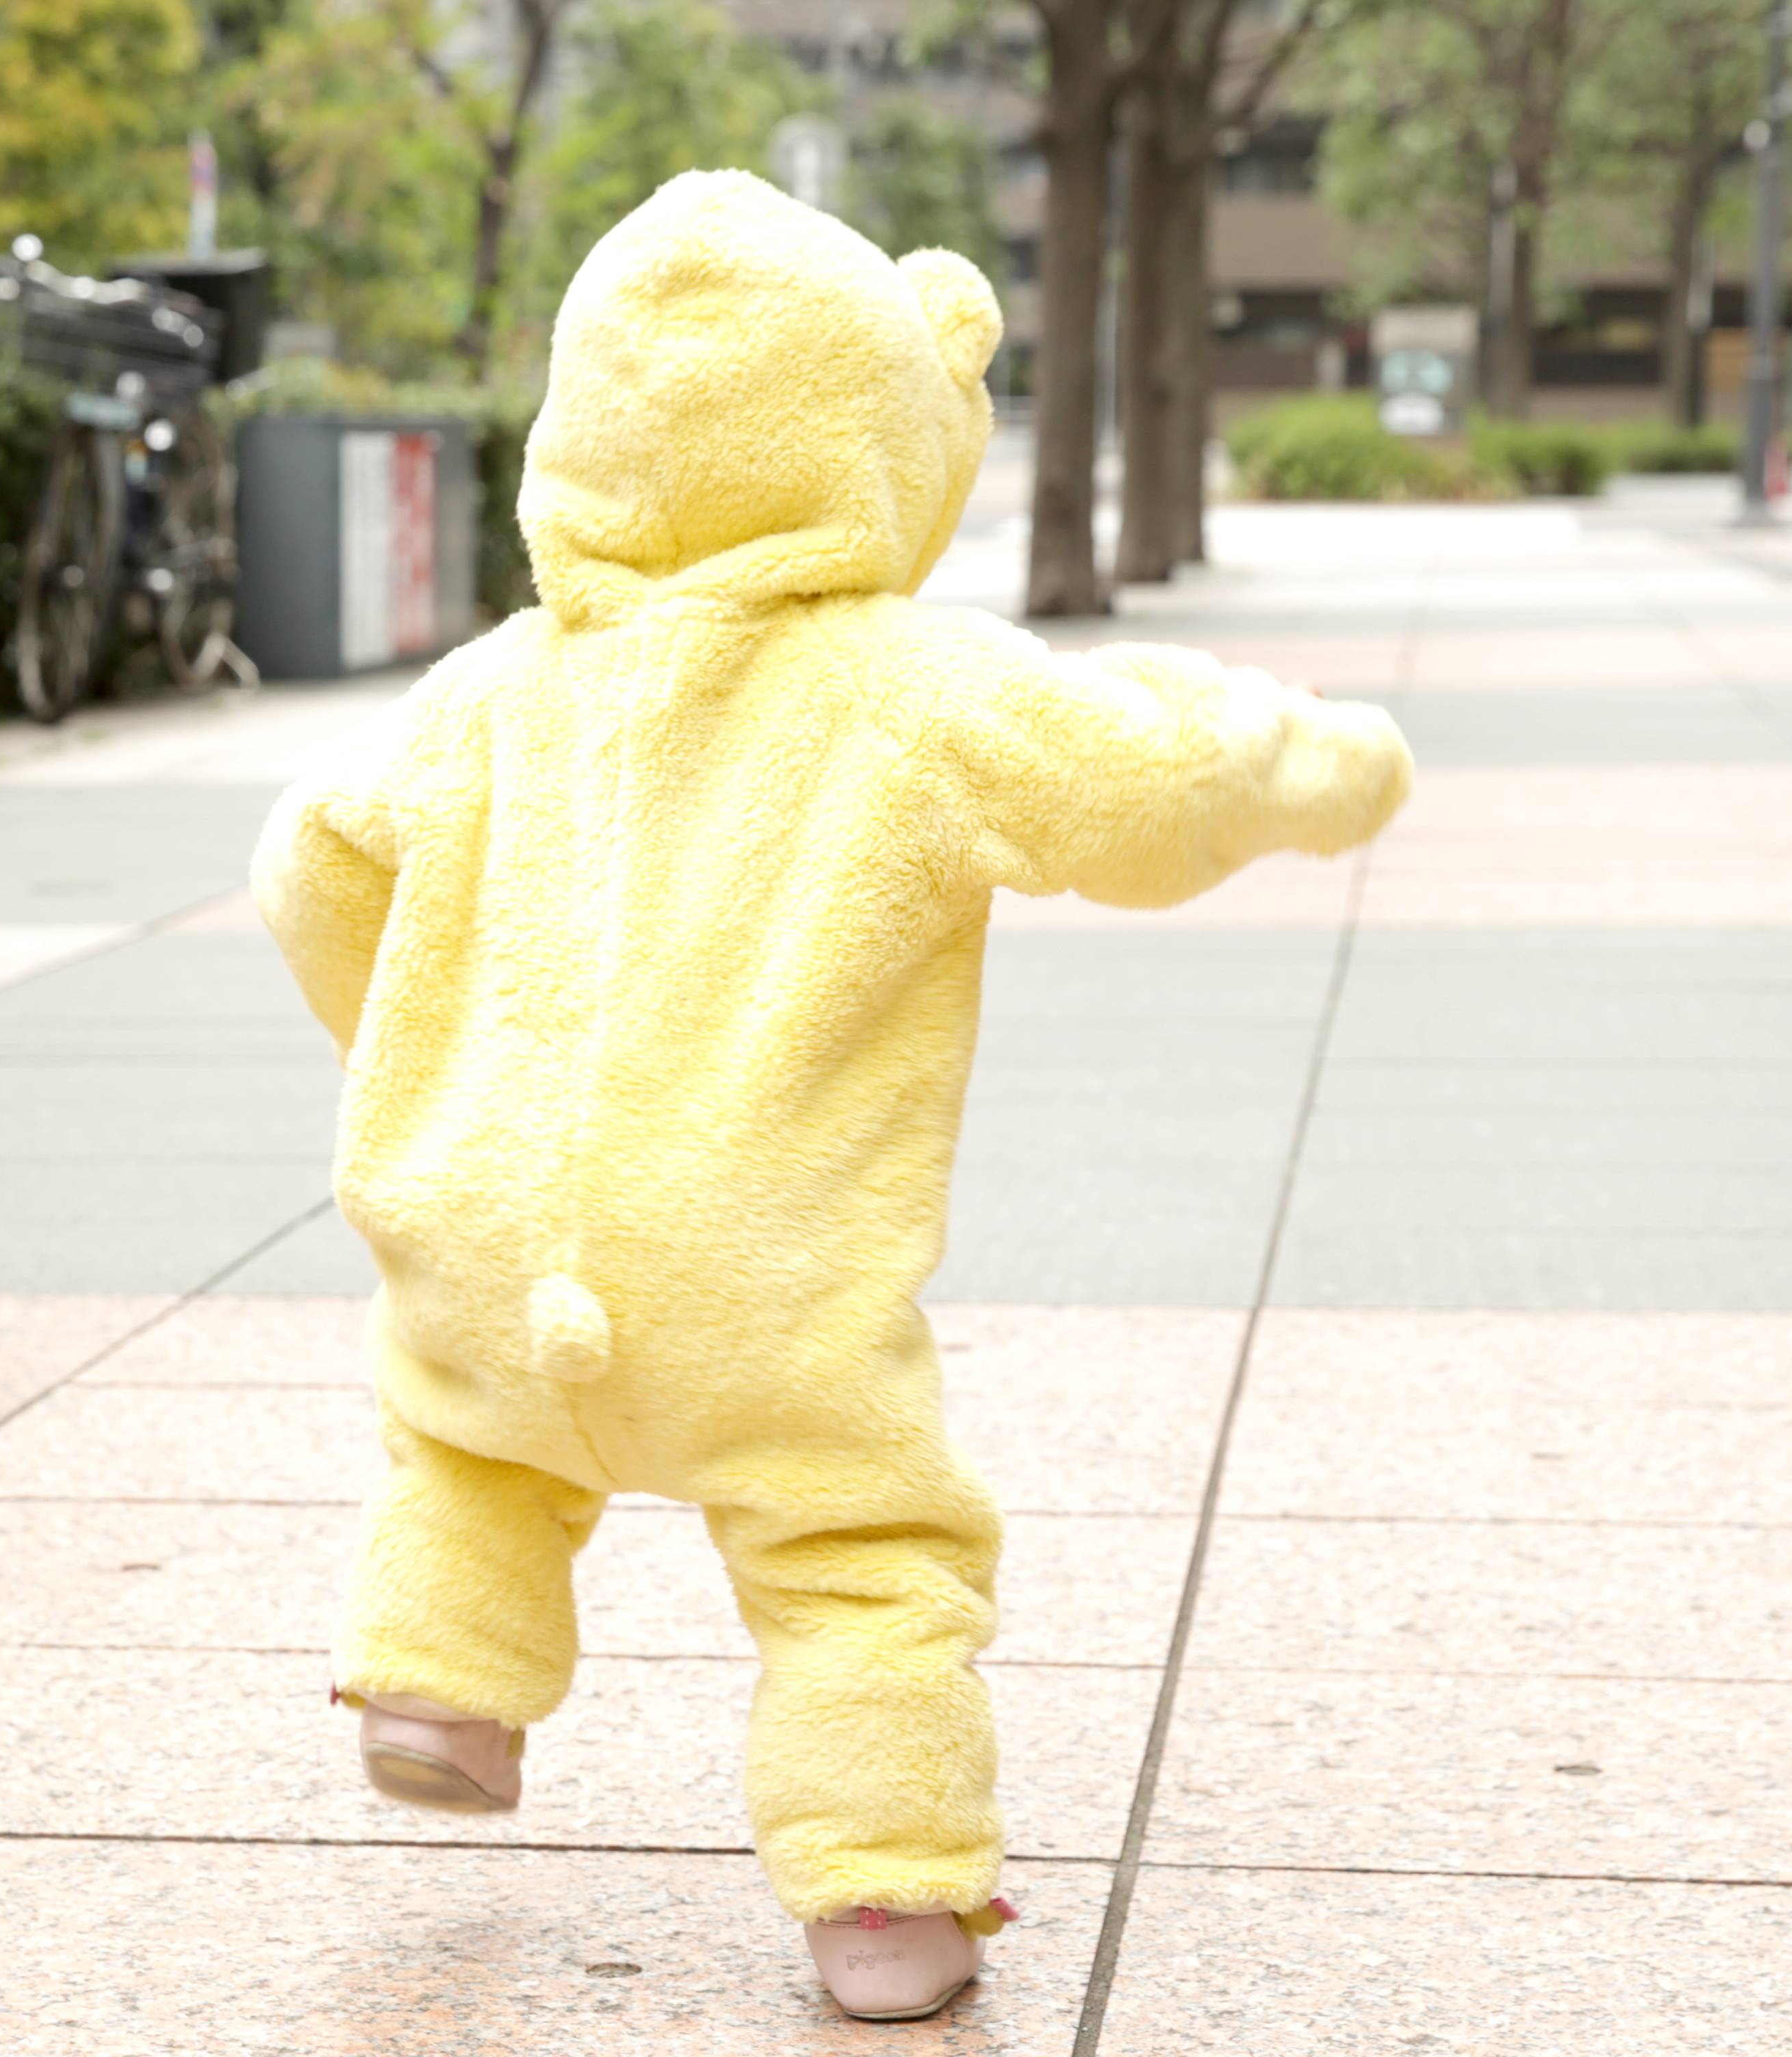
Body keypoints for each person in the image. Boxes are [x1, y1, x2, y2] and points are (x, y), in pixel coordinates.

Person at [253, 169, 1411, 2022]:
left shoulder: (480, 694)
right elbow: (1146, 770)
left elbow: (312, 876)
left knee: (471, 1443)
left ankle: (435, 1681)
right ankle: (884, 1902)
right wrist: (1325, 765)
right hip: (758, 1275)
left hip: (479, 1237)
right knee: (863, 1553)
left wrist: (426, 1069)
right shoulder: (900, 684)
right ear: (868, 428)